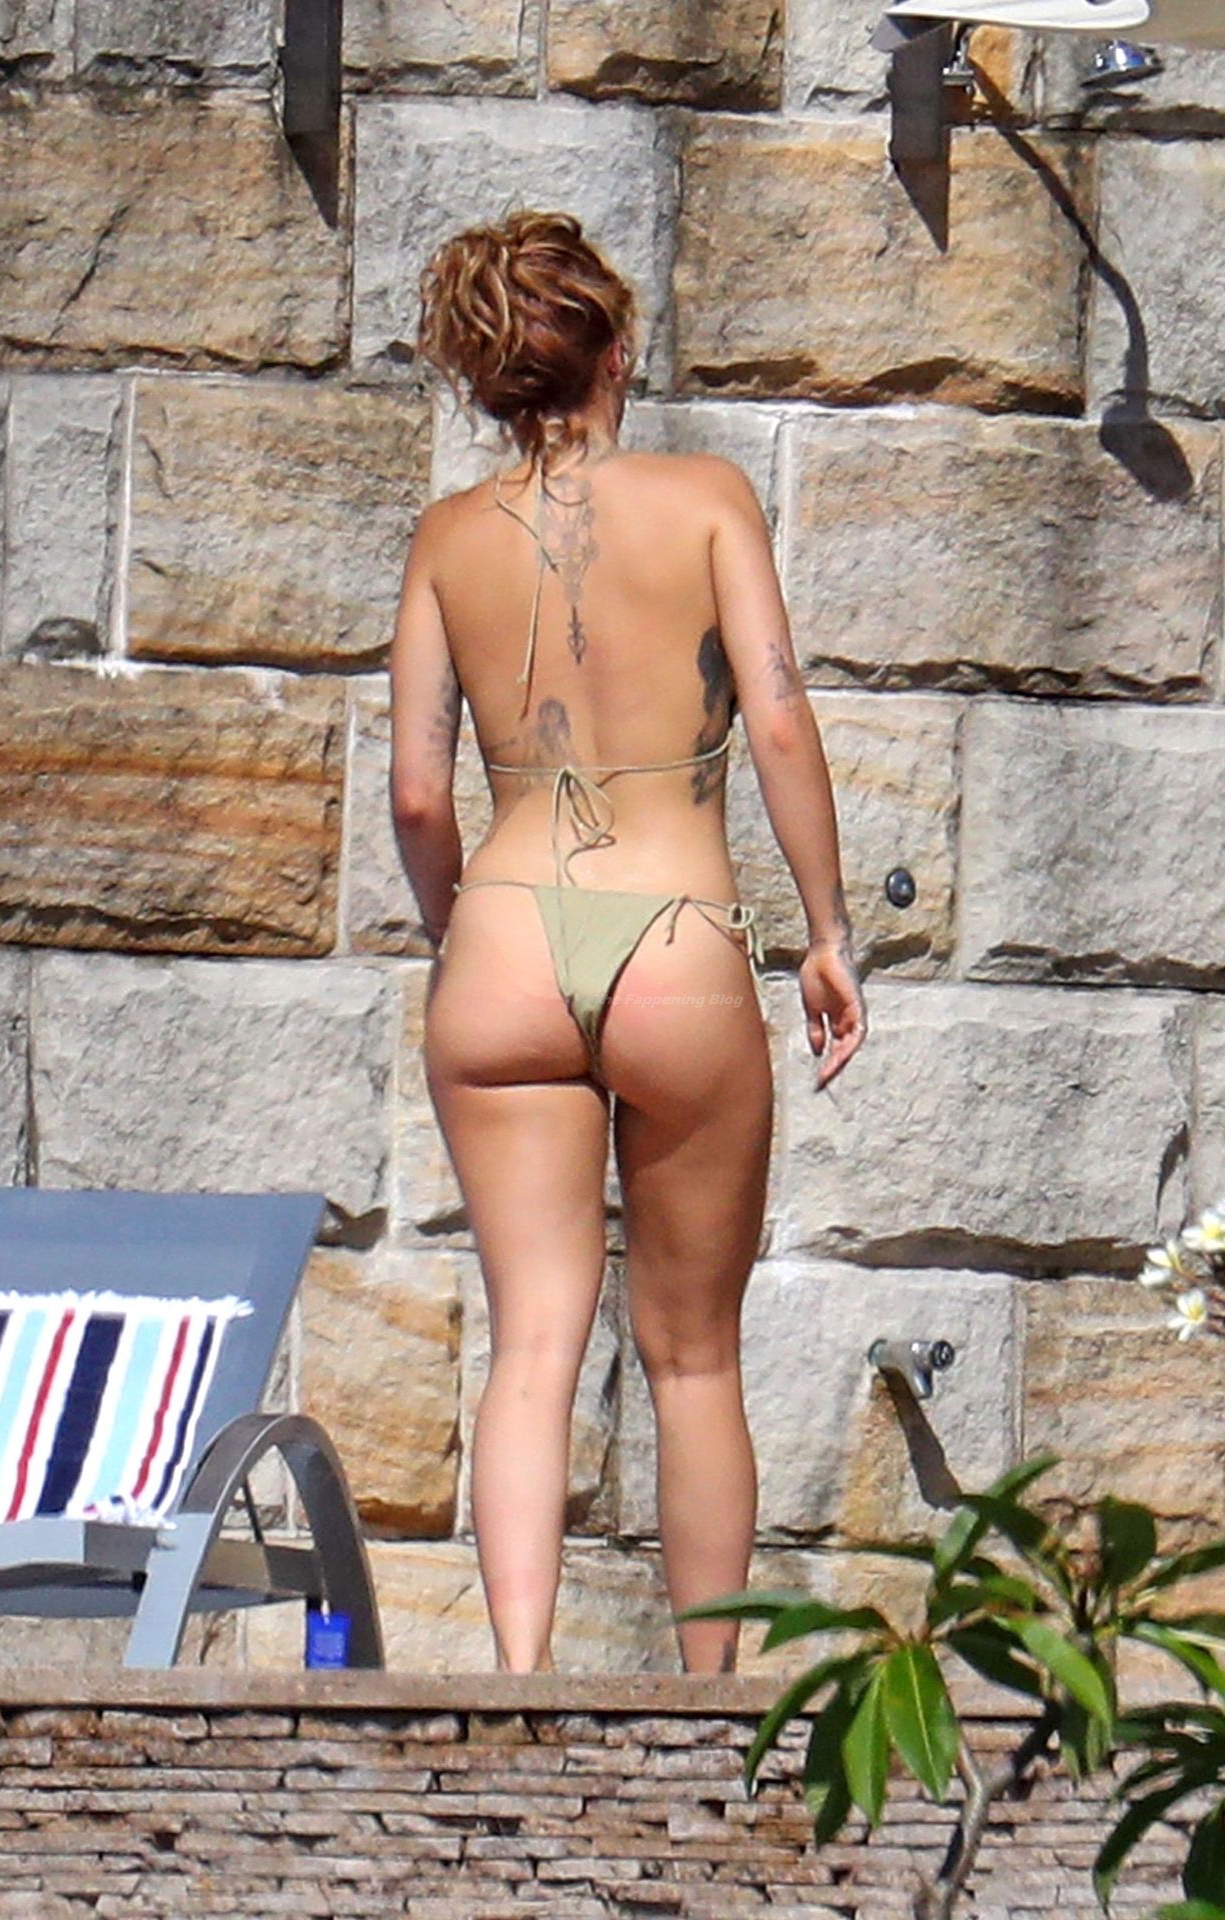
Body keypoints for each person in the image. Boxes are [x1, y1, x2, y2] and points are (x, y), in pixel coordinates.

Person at [389, 209, 866, 1676]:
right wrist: (828, 931)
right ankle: (707, 1717)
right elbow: (775, 716)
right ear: (617, 347)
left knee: (533, 1343)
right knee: (694, 1355)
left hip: (504, 939)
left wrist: (462, 929)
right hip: (675, 938)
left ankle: (517, 1690)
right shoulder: (707, 497)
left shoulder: (446, 540)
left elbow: (417, 795)